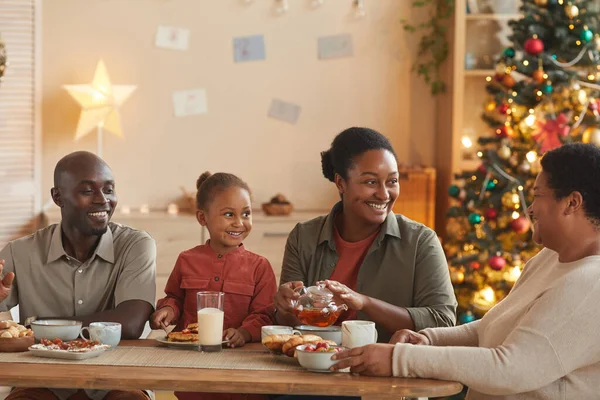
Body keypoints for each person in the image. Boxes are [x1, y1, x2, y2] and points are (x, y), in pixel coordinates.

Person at [331, 142, 600, 399]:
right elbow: (491, 329)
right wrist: (427, 340)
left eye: (538, 196)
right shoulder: (549, 259)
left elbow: (512, 367)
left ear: (572, 203)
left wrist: (397, 359)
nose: (530, 208)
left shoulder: (591, 284)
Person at [273, 127, 457, 343]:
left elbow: (443, 321)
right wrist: (284, 307)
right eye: (371, 182)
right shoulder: (304, 237)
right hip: (314, 363)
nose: (384, 194)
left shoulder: (420, 241)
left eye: (392, 181)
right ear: (341, 183)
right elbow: (288, 323)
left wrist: (364, 303)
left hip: (389, 368)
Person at [0, 151, 156, 400]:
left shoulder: (136, 245)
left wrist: (38, 327)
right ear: (58, 197)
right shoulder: (19, 253)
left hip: (118, 379)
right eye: (87, 191)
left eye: (109, 189)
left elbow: (130, 323)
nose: (102, 200)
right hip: (42, 380)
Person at [149, 172, 276, 400]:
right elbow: (174, 298)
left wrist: (244, 333)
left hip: (243, 373)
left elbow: (265, 315)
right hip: (192, 371)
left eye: (246, 213)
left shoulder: (260, 266)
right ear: (202, 218)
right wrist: (167, 310)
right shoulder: (186, 259)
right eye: (229, 214)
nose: (239, 222)